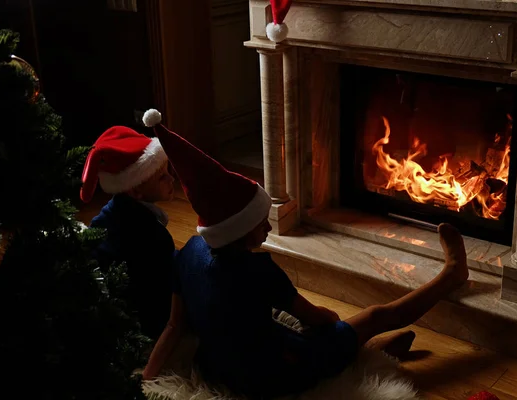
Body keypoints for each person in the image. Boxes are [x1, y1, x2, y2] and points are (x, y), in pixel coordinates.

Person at [141, 109, 469, 398]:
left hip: (220, 368)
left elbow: (174, 327)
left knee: (321, 333)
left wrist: (145, 380)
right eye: (260, 224)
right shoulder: (259, 270)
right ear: (238, 231)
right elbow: (316, 318)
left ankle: (363, 350)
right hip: (275, 375)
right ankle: (451, 275)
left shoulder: (187, 253)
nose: (268, 230)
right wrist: (332, 321)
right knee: (374, 316)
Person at [80, 125, 176, 341]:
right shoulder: (154, 237)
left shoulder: (106, 216)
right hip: (136, 327)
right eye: (162, 177)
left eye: (168, 171)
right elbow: (162, 294)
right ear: (135, 190)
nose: (171, 179)